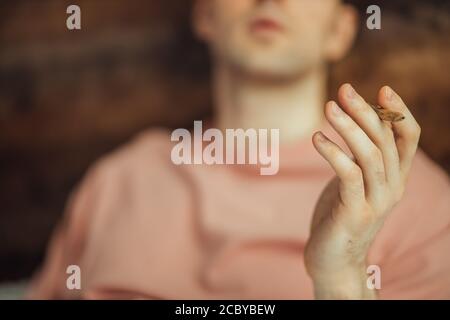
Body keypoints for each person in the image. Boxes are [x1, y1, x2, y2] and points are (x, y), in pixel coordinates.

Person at [28, 0, 450, 299]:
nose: (269, 0)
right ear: (205, 14)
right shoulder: (117, 179)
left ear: (340, 31)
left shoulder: (412, 193)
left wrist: (341, 276)